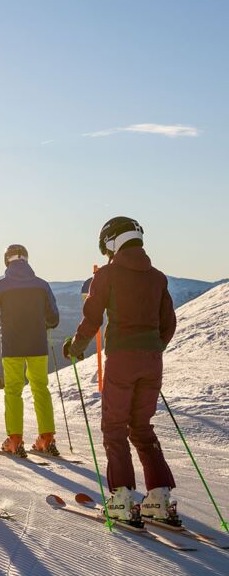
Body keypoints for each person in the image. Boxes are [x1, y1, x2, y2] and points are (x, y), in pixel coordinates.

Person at [64, 217, 178, 525]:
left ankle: (123, 499)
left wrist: (75, 346)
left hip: (122, 360)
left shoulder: (108, 274)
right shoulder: (158, 278)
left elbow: (92, 318)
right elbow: (169, 323)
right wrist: (152, 348)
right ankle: (159, 499)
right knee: (141, 427)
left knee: (114, 428)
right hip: (152, 360)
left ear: (112, 242)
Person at [0, 244, 60, 457]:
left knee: (13, 390)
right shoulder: (42, 285)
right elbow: (54, 318)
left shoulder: (0, 287)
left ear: (6, 261)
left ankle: (14, 439)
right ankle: (46, 438)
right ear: (27, 261)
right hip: (38, 345)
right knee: (40, 388)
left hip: (12, 346)